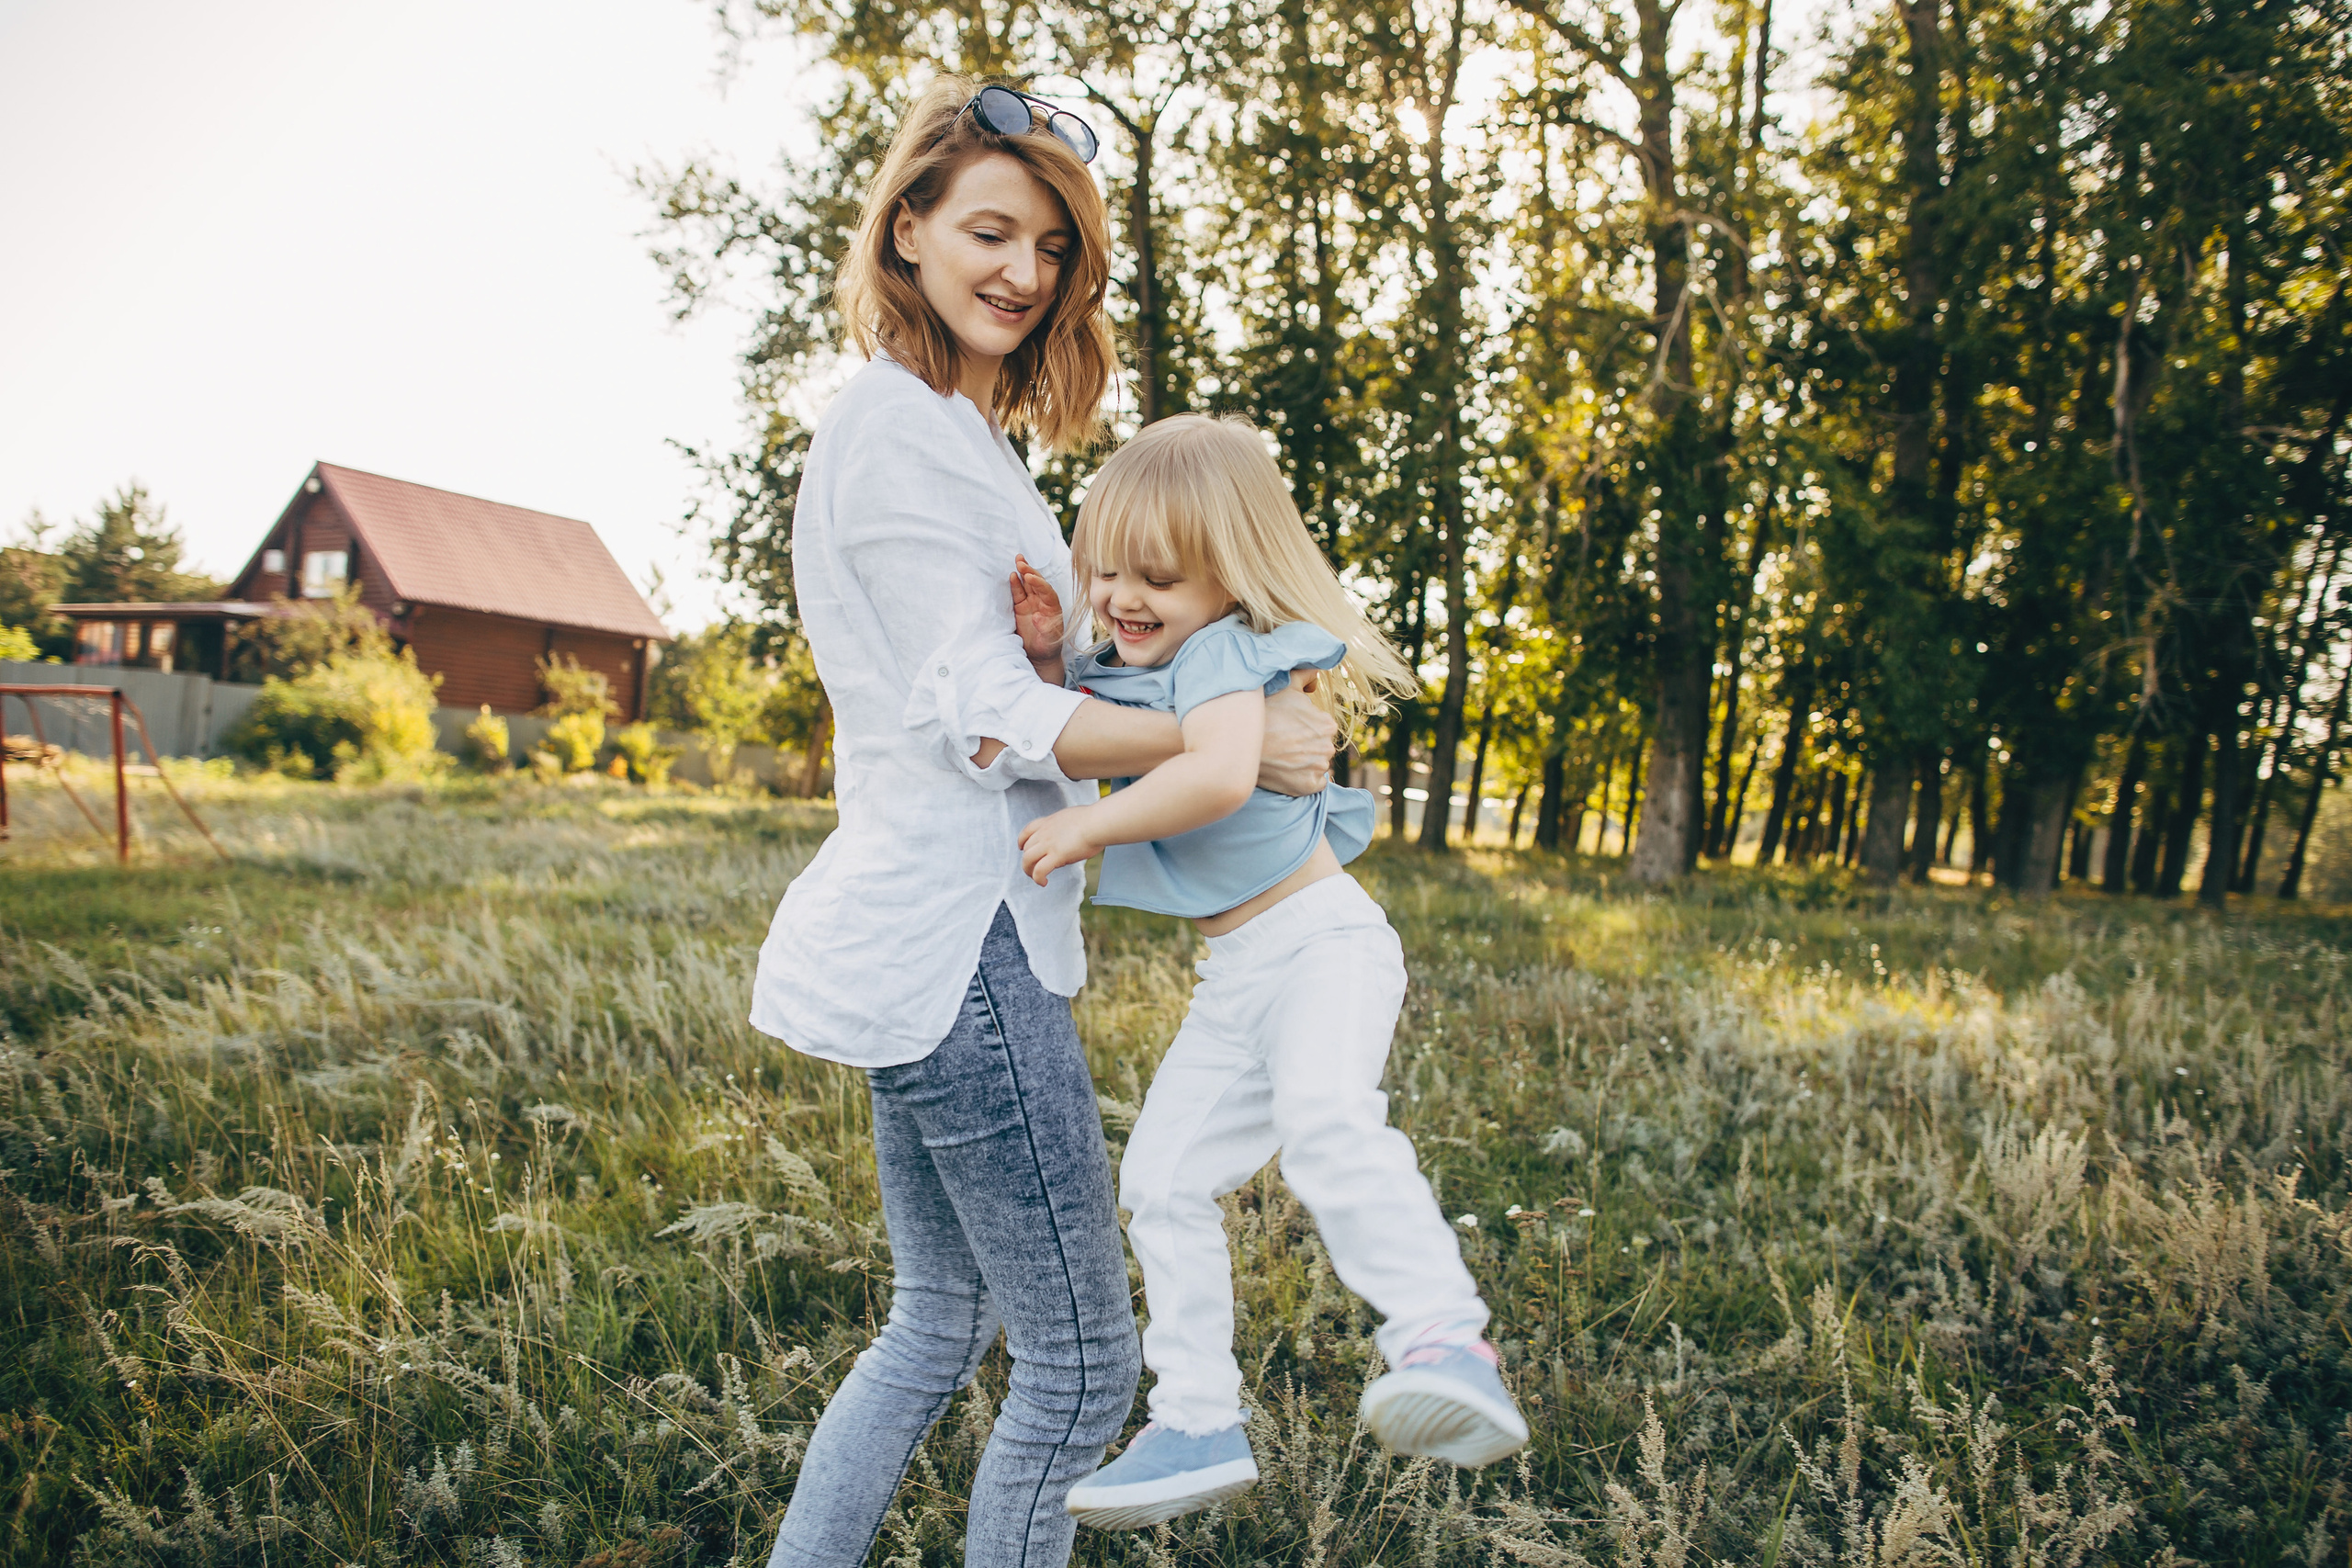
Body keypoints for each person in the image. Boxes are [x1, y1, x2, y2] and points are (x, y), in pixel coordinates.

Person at [747, 79, 1340, 1568]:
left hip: (941, 942)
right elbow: (978, 703)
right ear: (909, 228)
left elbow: (1046, 671)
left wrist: (1229, 673)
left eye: (1054, 246)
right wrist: (1233, 742)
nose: (1024, 270)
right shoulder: (894, 431)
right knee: (1080, 1367)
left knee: (939, 1323)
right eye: (990, 231)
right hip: (961, 946)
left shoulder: (963, 434)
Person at [1001, 415, 1531, 1532]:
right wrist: (1052, 656)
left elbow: (1218, 778)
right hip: (1235, 976)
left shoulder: (1229, 654)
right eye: (1104, 569)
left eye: (1158, 577)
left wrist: (1088, 835)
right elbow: (1082, 723)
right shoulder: (1135, 656)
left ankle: (1443, 1335)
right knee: (1160, 1181)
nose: (1123, 596)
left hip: (1323, 946)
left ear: (1231, 579)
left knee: (1329, 1121)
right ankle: (1196, 1416)